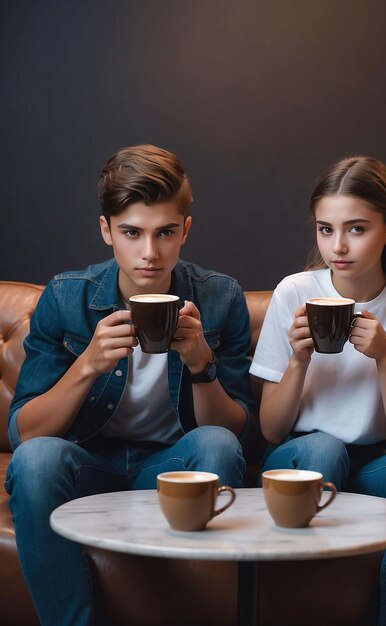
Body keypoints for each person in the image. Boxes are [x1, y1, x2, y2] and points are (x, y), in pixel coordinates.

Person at [5, 144, 254, 626]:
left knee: (218, 445)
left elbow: (241, 433)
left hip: (171, 468)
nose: (149, 253)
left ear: (185, 229)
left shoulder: (220, 297)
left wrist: (201, 363)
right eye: (131, 233)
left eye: (164, 233)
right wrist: (87, 366)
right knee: (37, 461)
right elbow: (25, 434)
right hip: (89, 466)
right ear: (106, 231)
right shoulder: (65, 295)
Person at [250, 156, 386, 626]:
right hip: (303, 459)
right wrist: (299, 360)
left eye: (357, 229)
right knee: (323, 448)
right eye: (325, 229)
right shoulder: (294, 291)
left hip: (374, 465)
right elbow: (271, 428)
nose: (337, 246)